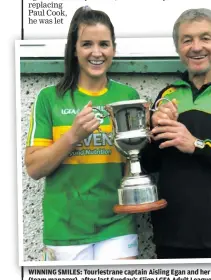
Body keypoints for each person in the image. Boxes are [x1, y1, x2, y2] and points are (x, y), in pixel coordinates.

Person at [25, 6, 139, 261]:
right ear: (74, 50)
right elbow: (33, 168)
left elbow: (134, 162)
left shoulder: (128, 97)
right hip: (64, 230)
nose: (96, 52)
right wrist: (72, 136)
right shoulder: (49, 99)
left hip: (117, 225)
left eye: (104, 44)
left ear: (114, 49)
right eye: (87, 44)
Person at [140, 8, 211, 259]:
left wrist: (197, 145)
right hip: (171, 235)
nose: (196, 47)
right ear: (179, 49)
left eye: (205, 38)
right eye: (187, 39)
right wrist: (150, 134)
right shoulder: (167, 96)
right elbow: (150, 164)